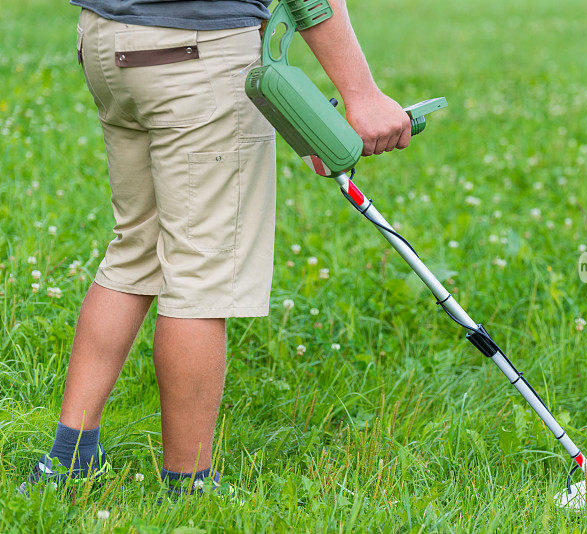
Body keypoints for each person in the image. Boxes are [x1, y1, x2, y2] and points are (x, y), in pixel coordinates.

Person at [22, 0, 412, 495]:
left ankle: (67, 460)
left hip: (108, 38)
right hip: (194, 51)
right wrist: (361, 95)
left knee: (135, 248)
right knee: (203, 273)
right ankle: (189, 485)